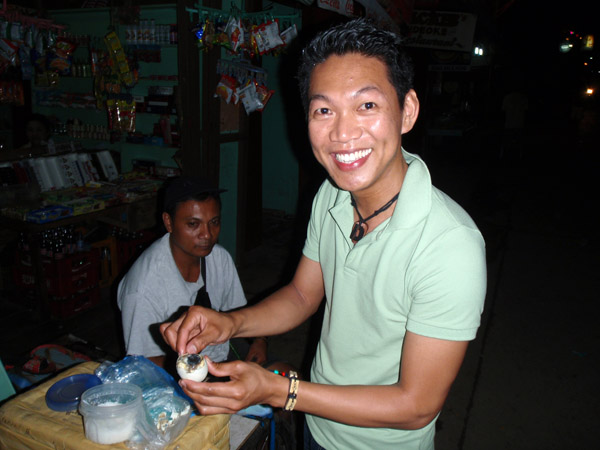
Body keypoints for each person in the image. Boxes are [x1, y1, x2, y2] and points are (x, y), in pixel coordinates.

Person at [160, 18, 487, 450]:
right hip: (317, 422)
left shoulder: (451, 246)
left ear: (406, 111)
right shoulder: (331, 195)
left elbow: (417, 407)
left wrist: (280, 391)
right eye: (323, 110)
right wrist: (229, 324)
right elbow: (302, 295)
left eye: (366, 105)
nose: (343, 133)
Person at [117, 176, 268, 369]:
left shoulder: (219, 258)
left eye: (214, 222)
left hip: (220, 349)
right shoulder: (143, 288)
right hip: (175, 371)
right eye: (193, 224)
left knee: (286, 375)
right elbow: (143, 364)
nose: (207, 234)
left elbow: (239, 312)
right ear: (169, 223)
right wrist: (198, 372)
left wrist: (260, 341)